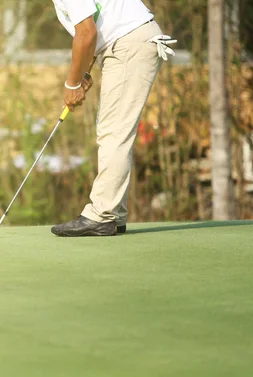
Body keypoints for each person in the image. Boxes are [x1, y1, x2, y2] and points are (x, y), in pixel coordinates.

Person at [49, 0, 176, 237]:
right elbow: (94, 28)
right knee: (113, 130)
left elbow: (87, 33)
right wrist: (83, 73)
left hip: (129, 43)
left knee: (113, 132)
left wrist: (72, 83)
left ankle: (102, 215)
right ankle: (113, 214)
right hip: (130, 40)